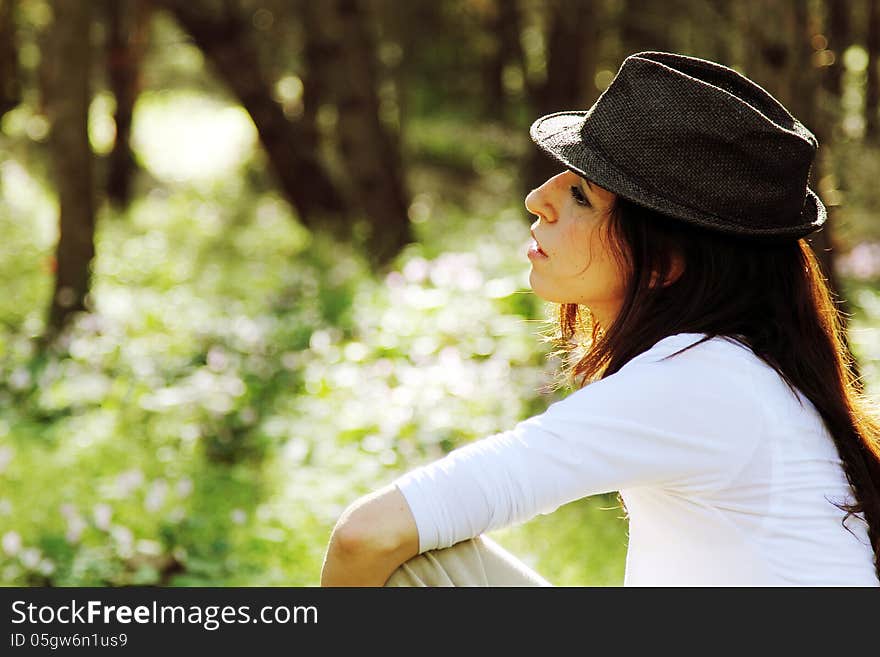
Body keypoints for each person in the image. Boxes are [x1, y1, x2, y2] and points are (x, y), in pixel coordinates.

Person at [319, 51, 880, 586]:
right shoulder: (742, 374)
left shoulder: (698, 382)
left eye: (582, 196)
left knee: (405, 559)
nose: (539, 198)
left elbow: (364, 537)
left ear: (663, 262)